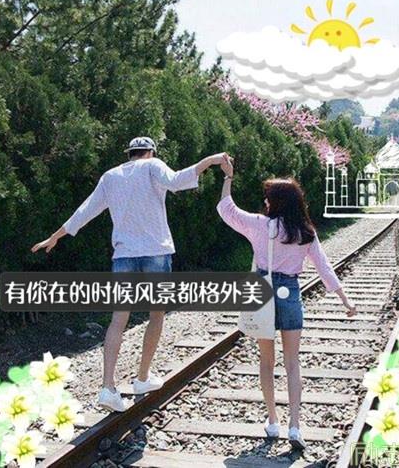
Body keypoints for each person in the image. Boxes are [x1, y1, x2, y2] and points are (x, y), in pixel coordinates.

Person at [31, 136, 230, 411]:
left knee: (118, 320)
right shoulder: (153, 165)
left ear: (130, 154)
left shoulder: (110, 176)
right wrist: (211, 160)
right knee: (156, 315)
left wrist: (55, 237)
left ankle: (108, 388)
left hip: (124, 255)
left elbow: (85, 211)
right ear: (150, 152)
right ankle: (142, 378)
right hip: (156, 252)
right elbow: (177, 181)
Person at [216, 157, 356, 450]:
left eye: (268, 197)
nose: (265, 201)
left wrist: (228, 177)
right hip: (289, 291)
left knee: (266, 362)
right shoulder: (305, 232)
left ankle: (273, 421)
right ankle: (295, 426)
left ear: (277, 202)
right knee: (293, 363)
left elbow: (226, 209)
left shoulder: (259, 225)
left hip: (262, 290)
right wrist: (344, 299)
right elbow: (324, 267)